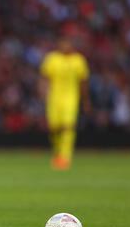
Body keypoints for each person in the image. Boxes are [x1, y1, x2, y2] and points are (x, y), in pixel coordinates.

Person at [39, 37, 91, 170]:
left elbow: (83, 82)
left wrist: (85, 101)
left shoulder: (79, 60)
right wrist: (42, 93)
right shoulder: (52, 59)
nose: (65, 46)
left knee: (68, 126)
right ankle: (58, 152)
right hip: (54, 97)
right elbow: (44, 78)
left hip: (71, 98)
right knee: (54, 127)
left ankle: (65, 156)